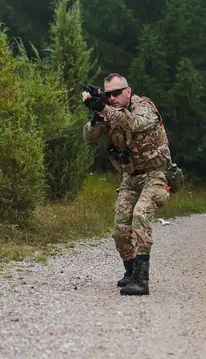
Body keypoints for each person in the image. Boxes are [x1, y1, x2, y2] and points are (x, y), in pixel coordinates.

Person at [82, 73, 172, 296]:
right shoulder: (109, 112)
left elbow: (134, 123)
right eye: (108, 94)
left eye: (116, 93)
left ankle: (142, 279)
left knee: (140, 216)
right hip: (130, 177)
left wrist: (106, 110)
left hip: (155, 174)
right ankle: (131, 272)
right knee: (120, 229)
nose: (112, 98)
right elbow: (88, 136)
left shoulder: (143, 107)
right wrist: (96, 114)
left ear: (128, 91)